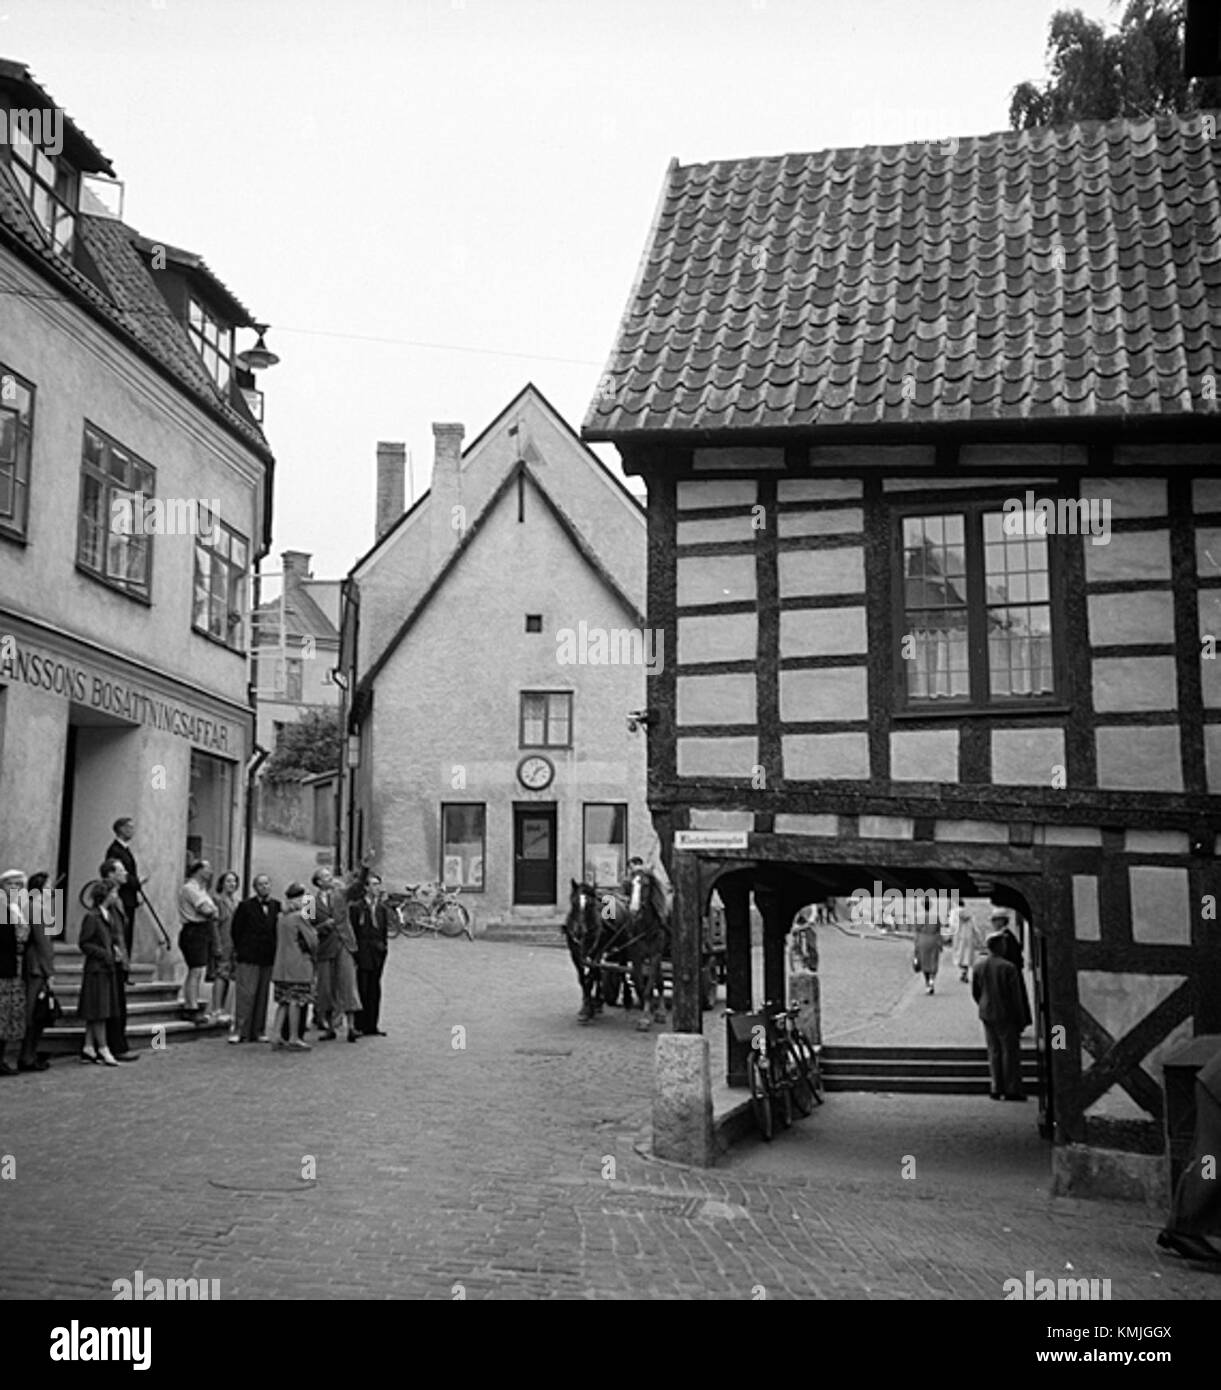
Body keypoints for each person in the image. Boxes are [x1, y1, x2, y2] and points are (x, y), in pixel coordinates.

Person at [1158, 1049, 1221, 1264]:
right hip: (1217, 1091)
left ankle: (1185, 1227)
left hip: (1213, 1085)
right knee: (1211, 1164)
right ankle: (1181, 1228)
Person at [972, 929, 1032, 1100]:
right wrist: (1022, 1019)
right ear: (1000, 947)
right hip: (1006, 1014)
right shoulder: (1009, 968)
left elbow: (976, 992)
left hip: (987, 1012)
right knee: (1010, 1052)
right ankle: (1012, 1088)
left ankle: (996, 1086)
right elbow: (1016, 998)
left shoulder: (979, 966)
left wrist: (983, 1004)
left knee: (994, 1051)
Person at [77, 878, 124, 1066]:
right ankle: (103, 1048)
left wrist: (114, 950)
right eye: (113, 893)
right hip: (97, 970)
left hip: (106, 968)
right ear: (105, 895)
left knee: (97, 1009)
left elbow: (109, 938)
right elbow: (84, 943)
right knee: (99, 1010)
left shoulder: (108, 915)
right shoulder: (92, 916)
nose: (116, 896)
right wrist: (104, 953)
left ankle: (88, 1046)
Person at [230, 874, 278, 1044]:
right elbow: (236, 930)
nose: (264, 887)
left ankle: (259, 1030)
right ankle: (240, 1030)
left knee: (262, 995)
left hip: (267, 957)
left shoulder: (276, 906)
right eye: (260, 884)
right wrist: (241, 949)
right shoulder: (245, 906)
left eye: (266, 883)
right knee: (246, 994)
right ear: (255, 887)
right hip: (248, 956)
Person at [99, 859, 138, 1061]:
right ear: (110, 874)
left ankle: (117, 1044)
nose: (126, 874)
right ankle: (114, 1045)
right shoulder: (107, 899)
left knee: (119, 1003)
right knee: (113, 1005)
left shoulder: (119, 898)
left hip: (119, 957)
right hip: (110, 959)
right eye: (121, 870)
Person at [270, 882, 316, 1052]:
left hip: (281, 965)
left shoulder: (281, 916)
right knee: (296, 1001)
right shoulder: (300, 916)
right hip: (297, 964)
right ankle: (294, 1037)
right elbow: (312, 940)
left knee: (283, 1001)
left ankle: (276, 1035)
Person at [18, 870, 56, 1072]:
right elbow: (43, 943)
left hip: (34, 962)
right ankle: (27, 1056)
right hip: (36, 966)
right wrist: (49, 971)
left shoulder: (32, 907)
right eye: (49, 886)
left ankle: (29, 1054)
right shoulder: (36, 908)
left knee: (34, 1013)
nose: (52, 890)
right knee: (34, 1013)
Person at [0, 868, 31, 1075]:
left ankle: (3, 1057)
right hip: (3, 966)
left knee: (9, 1015)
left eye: (20, 886)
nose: (16, 889)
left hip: (16, 966)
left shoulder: (15, 908)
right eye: (12, 885)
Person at [177, 860, 217, 1022]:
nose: (210, 872)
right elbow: (207, 910)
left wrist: (212, 911)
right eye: (207, 869)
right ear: (198, 870)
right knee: (196, 969)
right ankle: (190, 1006)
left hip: (202, 930)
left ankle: (191, 1003)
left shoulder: (202, 890)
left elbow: (213, 911)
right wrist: (212, 911)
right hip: (194, 930)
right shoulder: (190, 888)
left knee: (199, 969)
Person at [351, 872, 390, 1037]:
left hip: (377, 953)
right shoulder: (357, 907)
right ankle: (359, 1024)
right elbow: (353, 930)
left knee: (375, 988)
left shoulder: (382, 908)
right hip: (362, 951)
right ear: (366, 887)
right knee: (362, 988)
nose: (376, 888)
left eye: (378, 884)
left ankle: (372, 1025)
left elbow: (384, 931)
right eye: (373, 884)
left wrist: (383, 948)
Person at [207, 870, 240, 1026]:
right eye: (228, 881)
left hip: (233, 942)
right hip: (223, 940)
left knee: (228, 976)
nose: (232, 884)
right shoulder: (217, 900)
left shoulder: (235, 901)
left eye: (234, 881)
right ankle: (216, 1008)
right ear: (222, 883)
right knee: (220, 974)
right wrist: (217, 943)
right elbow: (214, 923)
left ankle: (223, 1008)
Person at [104, 816, 140, 957]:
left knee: (127, 935)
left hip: (129, 896)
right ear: (121, 829)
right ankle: (120, 971)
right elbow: (118, 875)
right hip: (122, 896)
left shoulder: (125, 849)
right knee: (121, 934)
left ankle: (125, 970)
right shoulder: (115, 850)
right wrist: (137, 882)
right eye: (129, 827)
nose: (132, 831)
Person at [949, 903, 984, 983]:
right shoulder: (969, 914)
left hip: (958, 937)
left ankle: (963, 972)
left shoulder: (953, 913)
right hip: (968, 937)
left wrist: (948, 937)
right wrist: (979, 940)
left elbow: (951, 926)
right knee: (966, 956)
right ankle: (965, 972)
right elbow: (975, 928)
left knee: (958, 957)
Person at [913, 913, 944, 995]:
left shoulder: (919, 917)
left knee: (924, 962)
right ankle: (932, 980)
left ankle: (927, 982)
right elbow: (939, 931)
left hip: (922, 940)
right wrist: (940, 943)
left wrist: (916, 945)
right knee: (933, 961)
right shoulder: (936, 917)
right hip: (933, 940)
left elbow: (917, 932)